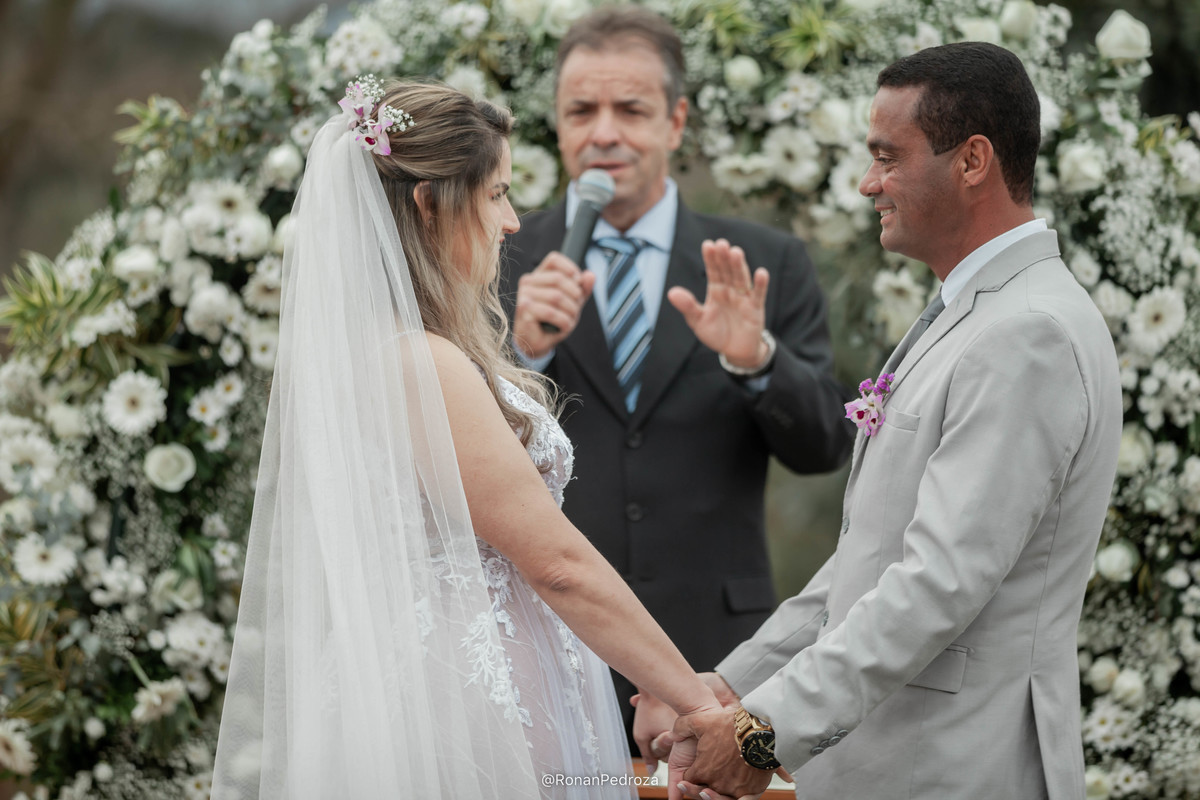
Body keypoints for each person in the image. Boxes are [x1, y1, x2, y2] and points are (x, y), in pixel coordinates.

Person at [209, 80, 725, 799]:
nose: (512, 223)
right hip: (472, 709)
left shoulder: (385, 354)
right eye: (497, 195)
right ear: (429, 204)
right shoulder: (419, 363)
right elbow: (558, 564)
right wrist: (701, 703)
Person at [644, 41, 1123, 800]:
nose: (868, 183)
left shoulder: (1028, 334)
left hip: (957, 768)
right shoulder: (976, 311)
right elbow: (870, 558)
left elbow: (937, 583)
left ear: (972, 161)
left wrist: (763, 732)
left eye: (887, 157)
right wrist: (733, 686)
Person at [500, 6, 854, 748]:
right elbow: (454, 456)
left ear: (676, 121)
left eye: (630, 110)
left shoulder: (765, 261)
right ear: (557, 124)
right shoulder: (502, 258)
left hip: (718, 652)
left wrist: (757, 361)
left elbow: (825, 445)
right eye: (581, 111)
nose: (603, 133)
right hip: (548, 644)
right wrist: (521, 359)